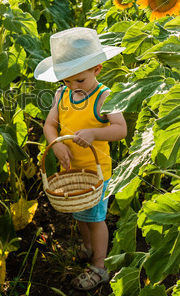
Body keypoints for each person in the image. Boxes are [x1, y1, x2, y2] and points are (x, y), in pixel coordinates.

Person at [34, 27, 127, 291]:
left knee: (96, 218)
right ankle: (87, 247)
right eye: (68, 81)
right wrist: (56, 146)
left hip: (97, 173)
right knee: (80, 214)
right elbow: (50, 124)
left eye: (80, 80)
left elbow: (120, 129)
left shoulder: (104, 96)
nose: (74, 87)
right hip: (72, 170)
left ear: (96, 70)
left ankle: (100, 266)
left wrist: (95, 132)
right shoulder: (61, 95)